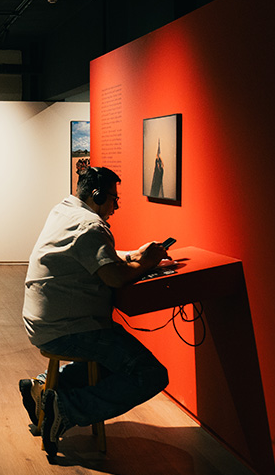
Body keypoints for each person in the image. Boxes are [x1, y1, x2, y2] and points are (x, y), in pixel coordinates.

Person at [19, 166, 171, 458]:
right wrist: (148, 262)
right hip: (70, 329)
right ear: (98, 195)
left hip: (43, 323)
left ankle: (43, 388)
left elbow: (90, 255)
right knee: (150, 374)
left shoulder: (65, 211)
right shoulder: (91, 226)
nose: (116, 206)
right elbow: (114, 278)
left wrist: (135, 255)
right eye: (115, 199)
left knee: (114, 363)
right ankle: (64, 409)